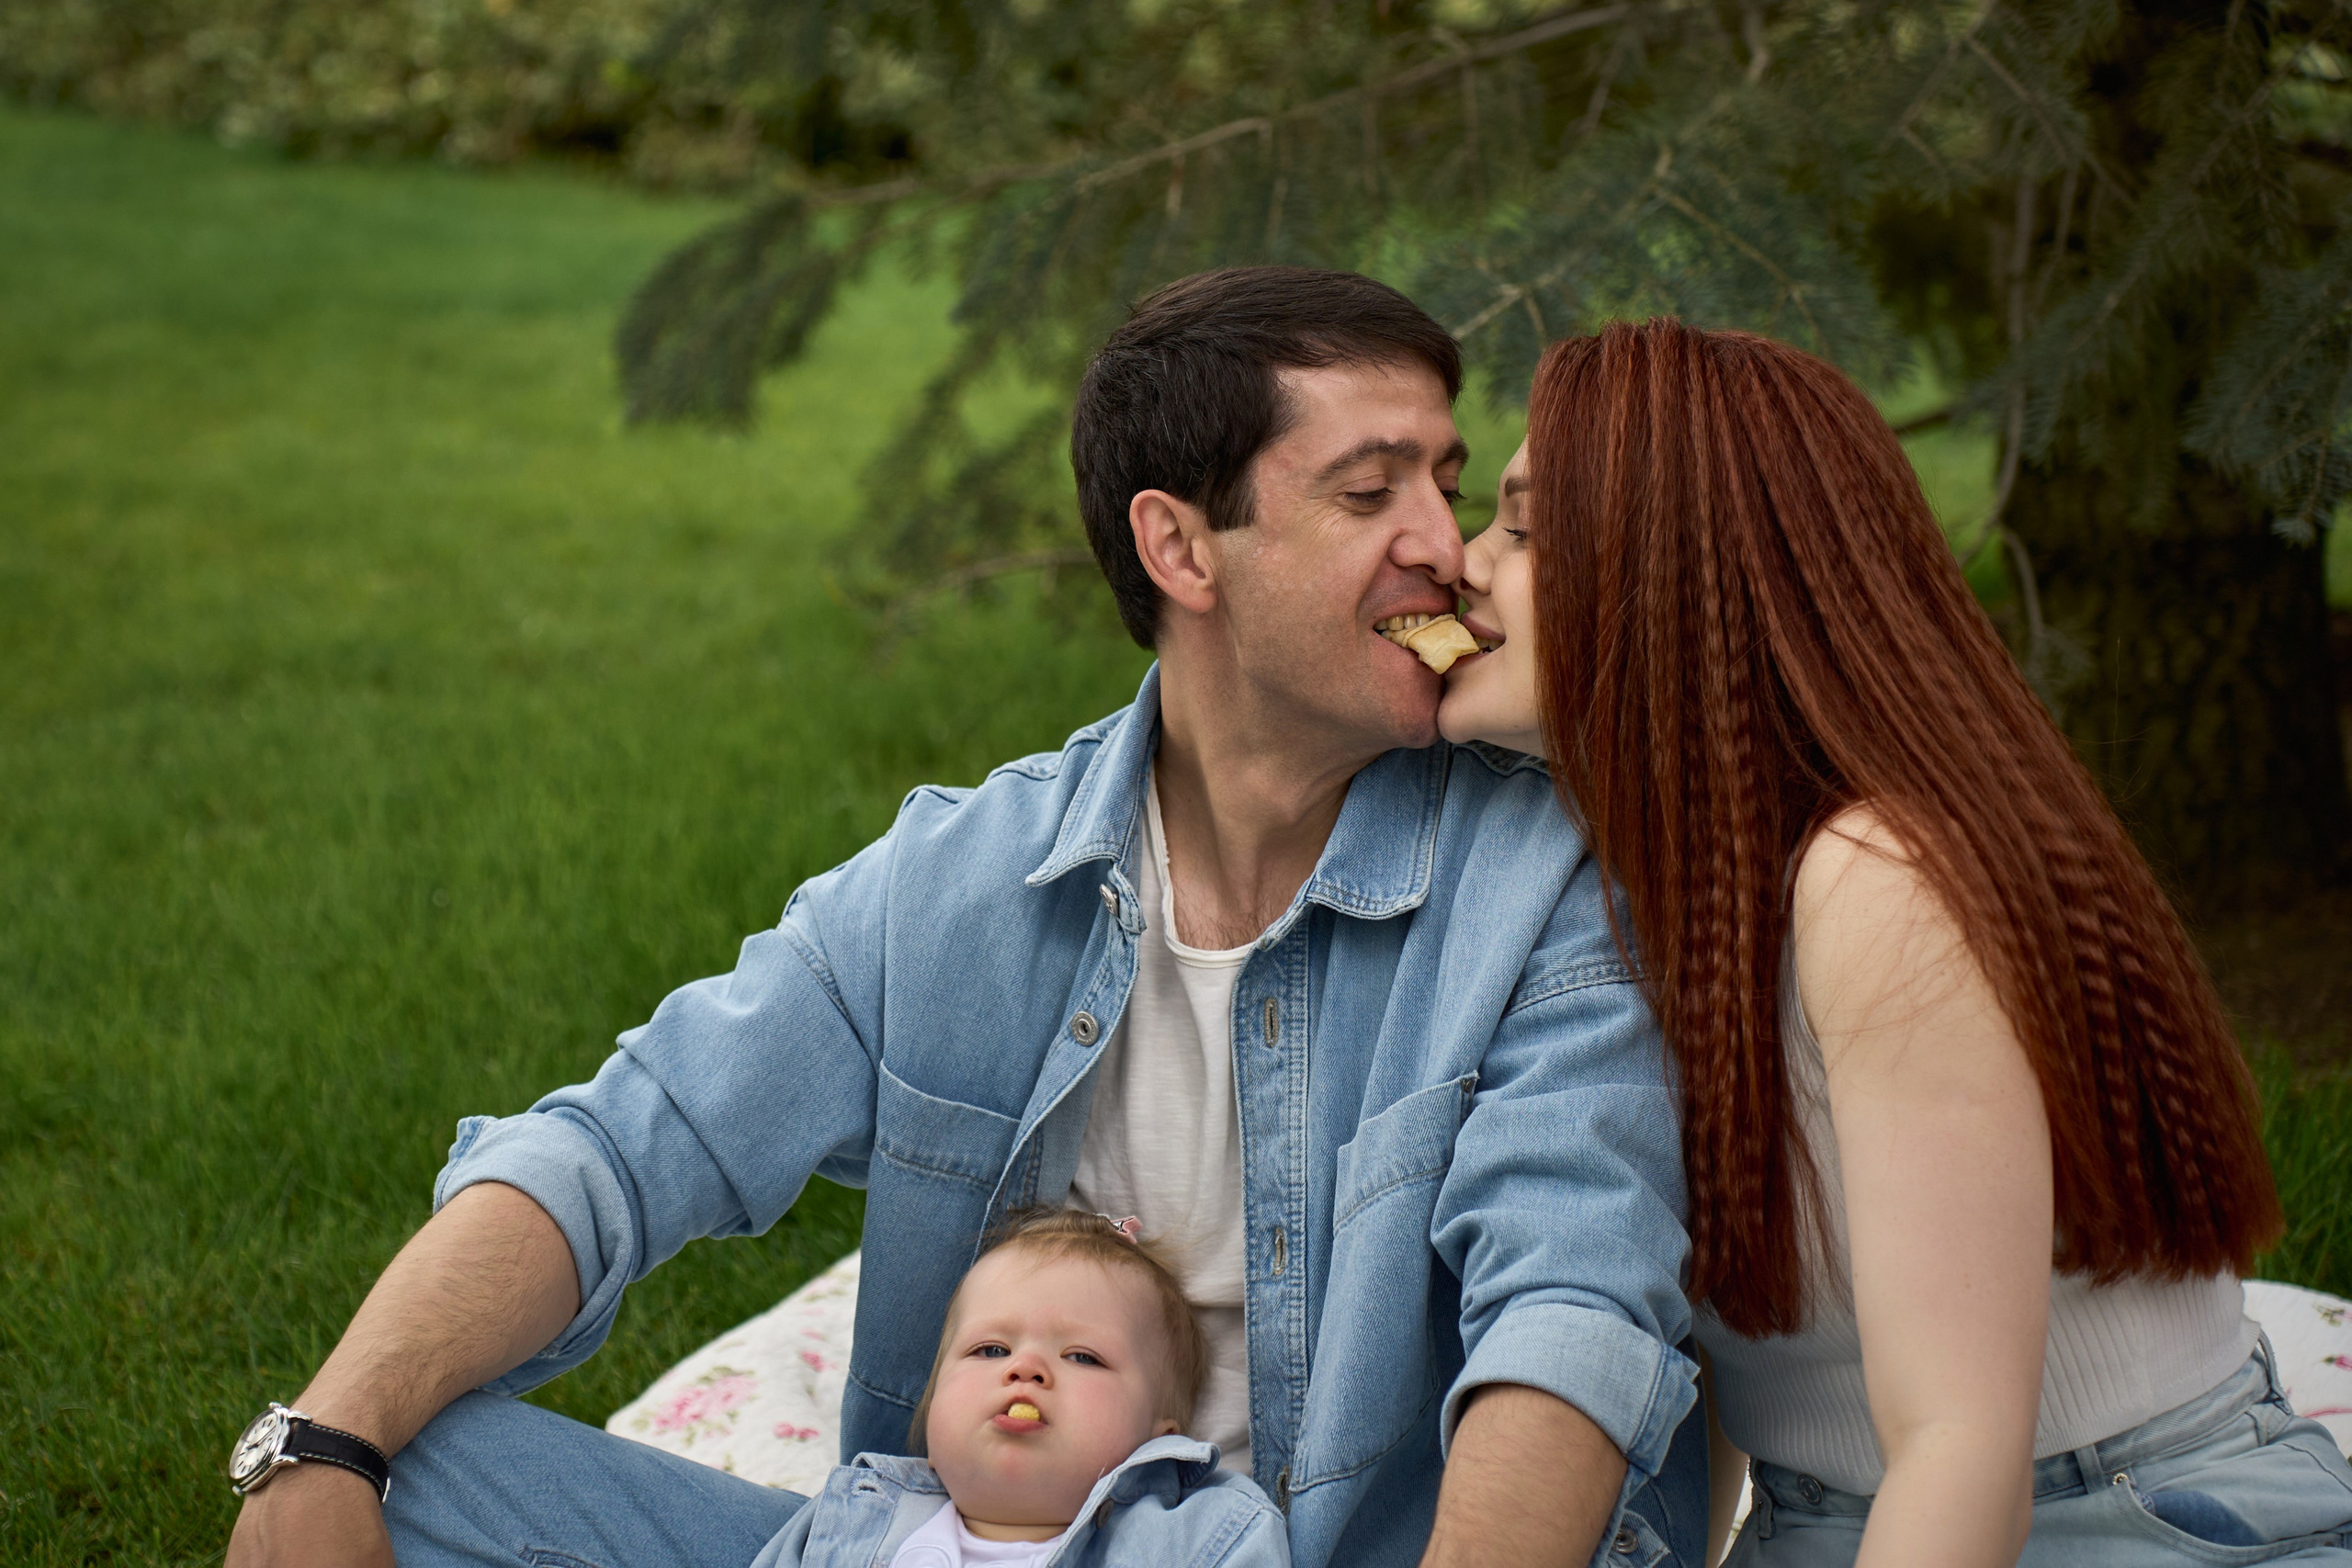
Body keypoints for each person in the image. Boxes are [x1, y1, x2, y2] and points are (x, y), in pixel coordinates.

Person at [222, 267, 1709, 1568]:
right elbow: (626, 1141)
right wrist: (325, 1439)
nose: (1446, 546)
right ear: (1183, 549)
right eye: (1372, 492)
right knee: (402, 1477)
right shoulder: (968, 875)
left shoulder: (1539, 889)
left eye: (1448, 483)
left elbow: (1569, 1321)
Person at [1437, 317, 2352, 1567]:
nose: (1462, 565)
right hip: (1822, 1524)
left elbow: (1960, 1446)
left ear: (1677, 568)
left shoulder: (1876, 879)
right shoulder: (1638, 893)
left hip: (2110, 1516)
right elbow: (1703, 1385)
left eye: (1524, 529)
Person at [752, 1209, 1284, 1568]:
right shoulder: (852, 1521)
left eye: (1082, 1357)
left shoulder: (1194, 1542)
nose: (1025, 1369)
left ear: (1158, 1440)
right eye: (990, 1350)